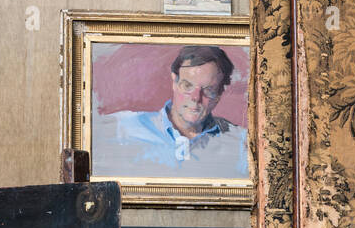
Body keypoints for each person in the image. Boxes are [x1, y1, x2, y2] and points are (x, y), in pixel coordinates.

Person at [91, 46, 248, 179]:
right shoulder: (123, 128)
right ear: (174, 82)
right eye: (187, 86)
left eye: (208, 90)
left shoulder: (241, 143)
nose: (195, 98)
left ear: (220, 93)